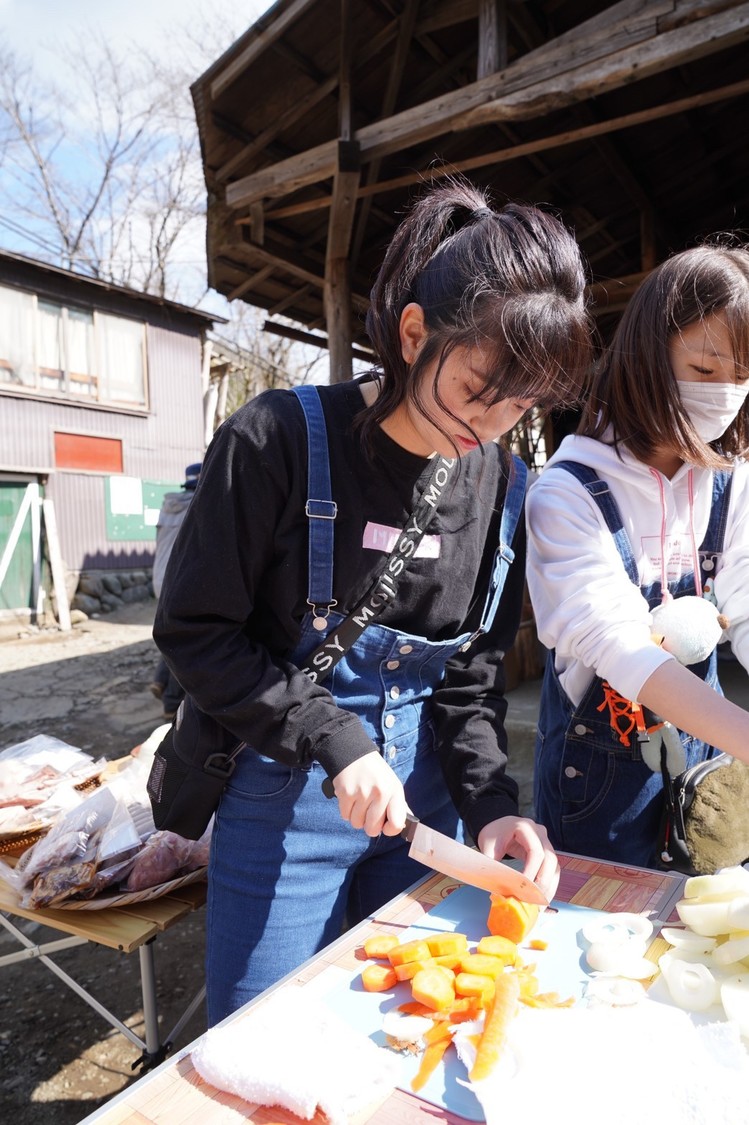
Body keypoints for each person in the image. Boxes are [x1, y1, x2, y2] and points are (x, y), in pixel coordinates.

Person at [153, 179, 593, 1025]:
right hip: (281, 802)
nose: (493, 422)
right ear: (414, 333)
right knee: (263, 1038)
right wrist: (334, 738)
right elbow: (196, 632)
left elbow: (467, 681)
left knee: (407, 1027)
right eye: (478, 387)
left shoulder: (503, 485)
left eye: (522, 401)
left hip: (423, 810)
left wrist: (493, 810)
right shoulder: (276, 438)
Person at [526, 243, 749, 870]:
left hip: (702, 757)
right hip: (597, 783)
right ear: (649, 355)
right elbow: (623, 648)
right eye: (706, 370)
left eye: (742, 374)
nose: (726, 394)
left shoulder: (730, 480)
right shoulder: (567, 493)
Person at [150, 462, 202, 719]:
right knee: (187, 640)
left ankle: (160, 680)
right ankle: (171, 703)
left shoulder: (169, 505)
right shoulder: (199, 504)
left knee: (172, 633)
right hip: (180, 581)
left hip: (160, 579)